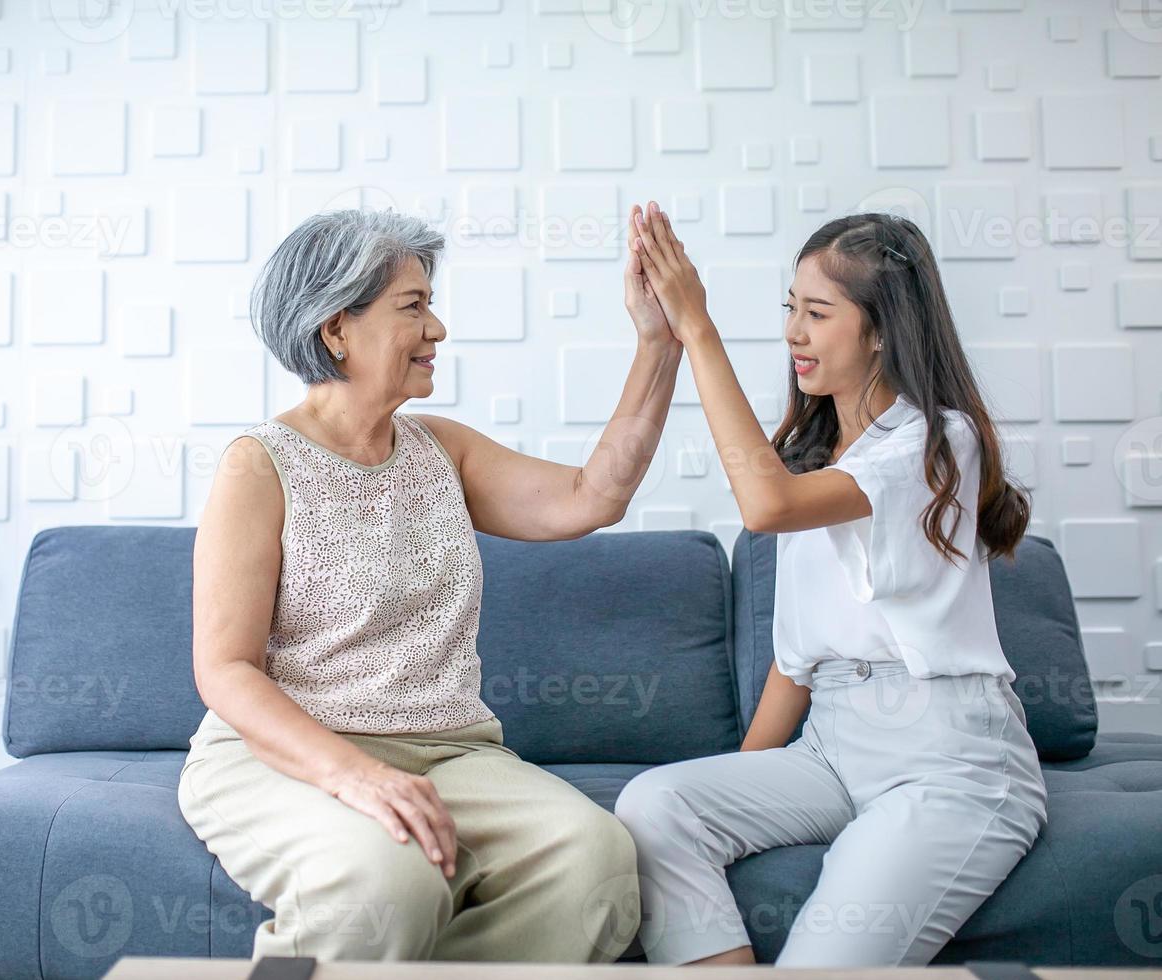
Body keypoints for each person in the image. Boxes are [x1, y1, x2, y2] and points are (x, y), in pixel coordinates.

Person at [178, 206, 683, 962]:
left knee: (594, 862)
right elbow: (224, 670)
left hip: (450, 753)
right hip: (287, 751)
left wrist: (659, 340)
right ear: (336, 329)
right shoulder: (261, 465)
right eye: (414, 307)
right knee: (385, 881)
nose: (438, 329)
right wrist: (359, 778)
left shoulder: (440, 450)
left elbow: (592, 497)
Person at [613, 202, 1049, 966]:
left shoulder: (936, 438)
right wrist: (741, 784)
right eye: (791, 309)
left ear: (882, 330)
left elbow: (766, 505)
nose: (793, 334)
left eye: (817, 313)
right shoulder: (815, 459)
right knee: (657, 805)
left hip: (948, 758)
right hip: (833, 748)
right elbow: (796, 661)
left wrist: (698, 330)